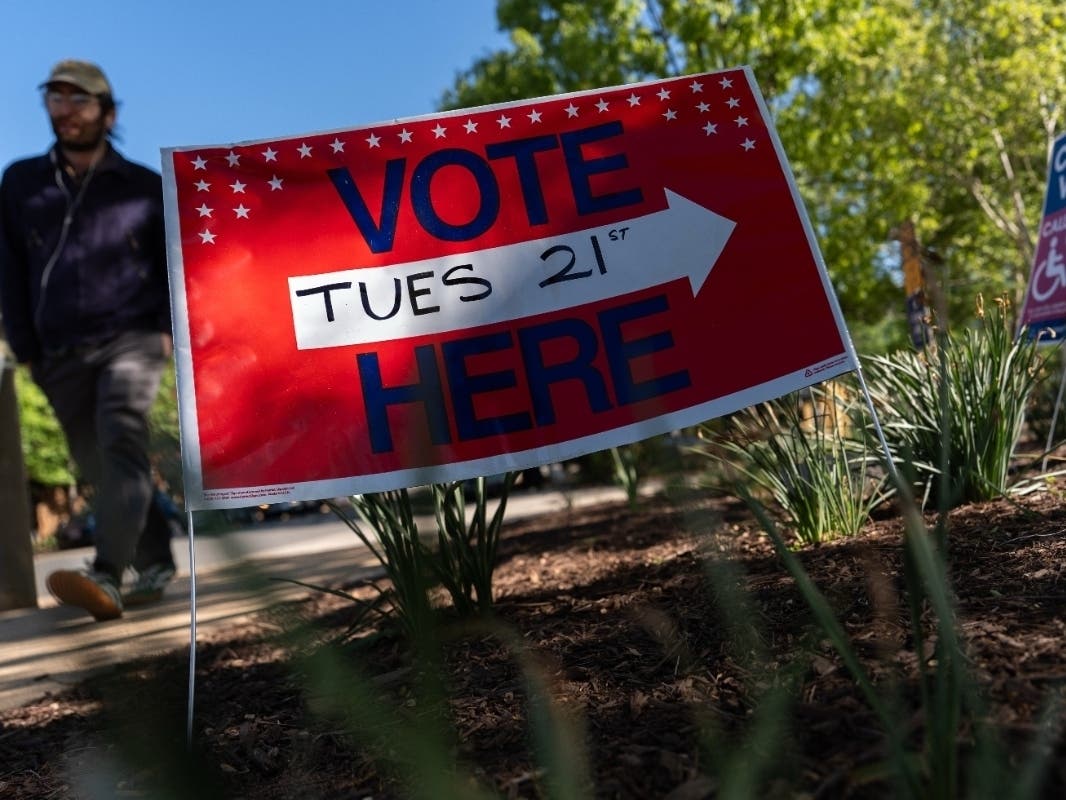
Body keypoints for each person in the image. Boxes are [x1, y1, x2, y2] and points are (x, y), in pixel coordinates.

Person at [0, 59, 176, 621]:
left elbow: (172, 265)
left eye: (79, 99)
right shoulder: (21, 182)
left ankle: (106, 574)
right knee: (98, 462)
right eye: (56, 98)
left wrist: (167, 331)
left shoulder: (144, 188)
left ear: (108, 112)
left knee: (119, 437)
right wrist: (25, 348)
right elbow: (9, 269)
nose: (66, 109)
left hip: (132, 339)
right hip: (57, 352)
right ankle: (156, 561)